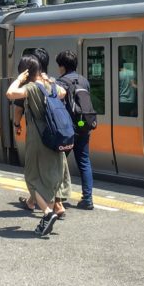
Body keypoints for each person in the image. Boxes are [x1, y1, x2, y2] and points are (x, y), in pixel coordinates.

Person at [6, 54, 70, 236]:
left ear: (26, 72)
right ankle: (52, 209)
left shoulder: (32, 88)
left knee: (32, 178)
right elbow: (63, 93)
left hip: (37, 140)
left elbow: (10, 93)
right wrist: (48, 79)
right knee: (50, 176)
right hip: (54, 137)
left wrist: (19, 79)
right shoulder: (50, 85)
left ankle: (48, 213)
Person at [55, 50, 94, 210]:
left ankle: (54, 199)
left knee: (58, 162)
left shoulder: (61, 82)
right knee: (84, 161)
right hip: (84, 127)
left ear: (62, 66)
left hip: (68, 130)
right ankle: (88, 199)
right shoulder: (84, 81)